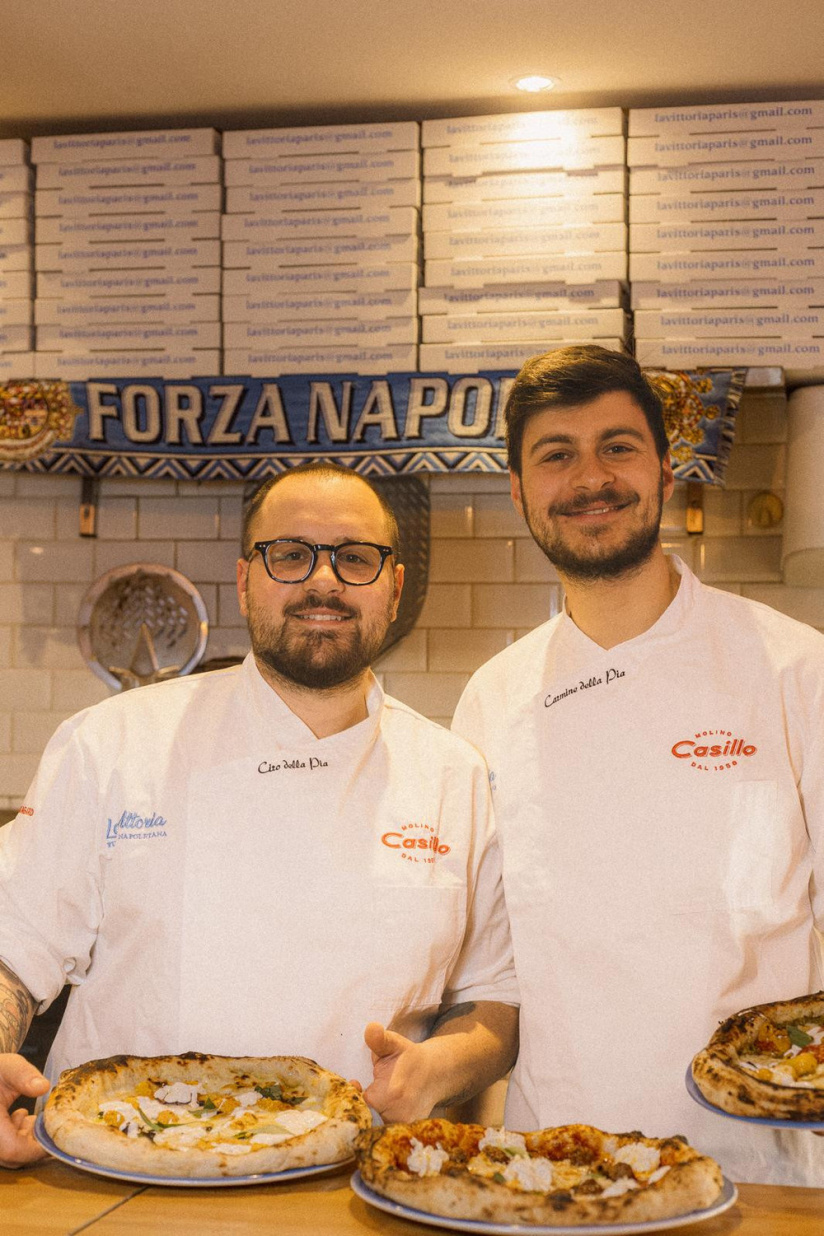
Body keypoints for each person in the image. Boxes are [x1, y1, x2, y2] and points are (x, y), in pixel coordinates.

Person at [0, 462, 518, 1167]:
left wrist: (443, 1067)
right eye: (291, 554)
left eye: (355, 558)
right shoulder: (111, 742)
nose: (324, 580)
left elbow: (492, 999)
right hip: (118, 1171)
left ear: (394, 591)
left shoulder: (455, 776)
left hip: (354, 1183)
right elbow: (13, 950)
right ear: (246, 581)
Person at [452, 345, 824, 1186]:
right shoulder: (491, 699)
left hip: (762, 1171)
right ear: (518, 491)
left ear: (664, 467)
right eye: (557, 455)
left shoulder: (794, 669)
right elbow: (492, 963)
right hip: (558, 1165)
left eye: (617, 447)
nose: (592, 477)